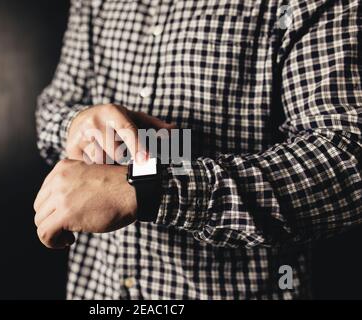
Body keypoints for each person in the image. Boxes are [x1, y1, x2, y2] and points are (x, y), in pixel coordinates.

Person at [33, 0, 362, 299]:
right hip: (98, 290)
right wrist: (75, 124)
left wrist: (149, 190)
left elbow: (346, 159)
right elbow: (52, 108)